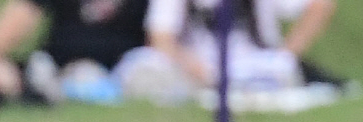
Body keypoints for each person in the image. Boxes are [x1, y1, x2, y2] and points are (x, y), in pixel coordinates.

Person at [0, 0, 173, 108]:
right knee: (6, 71)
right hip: (52, 63)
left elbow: (164, 33)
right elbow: (23, 12)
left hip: (119, 70)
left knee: (90, 76)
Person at [146, 0, 344, 99]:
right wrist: (192, 66)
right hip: (196, 74)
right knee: (144, 64)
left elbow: (321, 4)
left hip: (258, 71)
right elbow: (160, 38)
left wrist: (286, 55)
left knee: (282, 72)